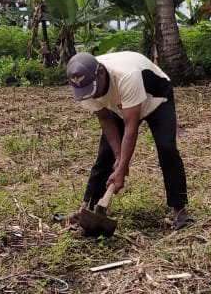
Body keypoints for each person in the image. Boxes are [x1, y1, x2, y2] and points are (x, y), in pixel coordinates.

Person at [67, 51, 193, 231]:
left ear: (101, 73)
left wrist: (122, 168)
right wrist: (118, 155)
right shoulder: (84, 84)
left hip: (156, 98)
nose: (91, 95)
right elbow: (105, 119)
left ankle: (180, 211)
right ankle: (86, 207)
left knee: (167, 148)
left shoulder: (127, 76)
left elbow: (130, 126)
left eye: (93, 90)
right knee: (106, 154)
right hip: (122, 104)